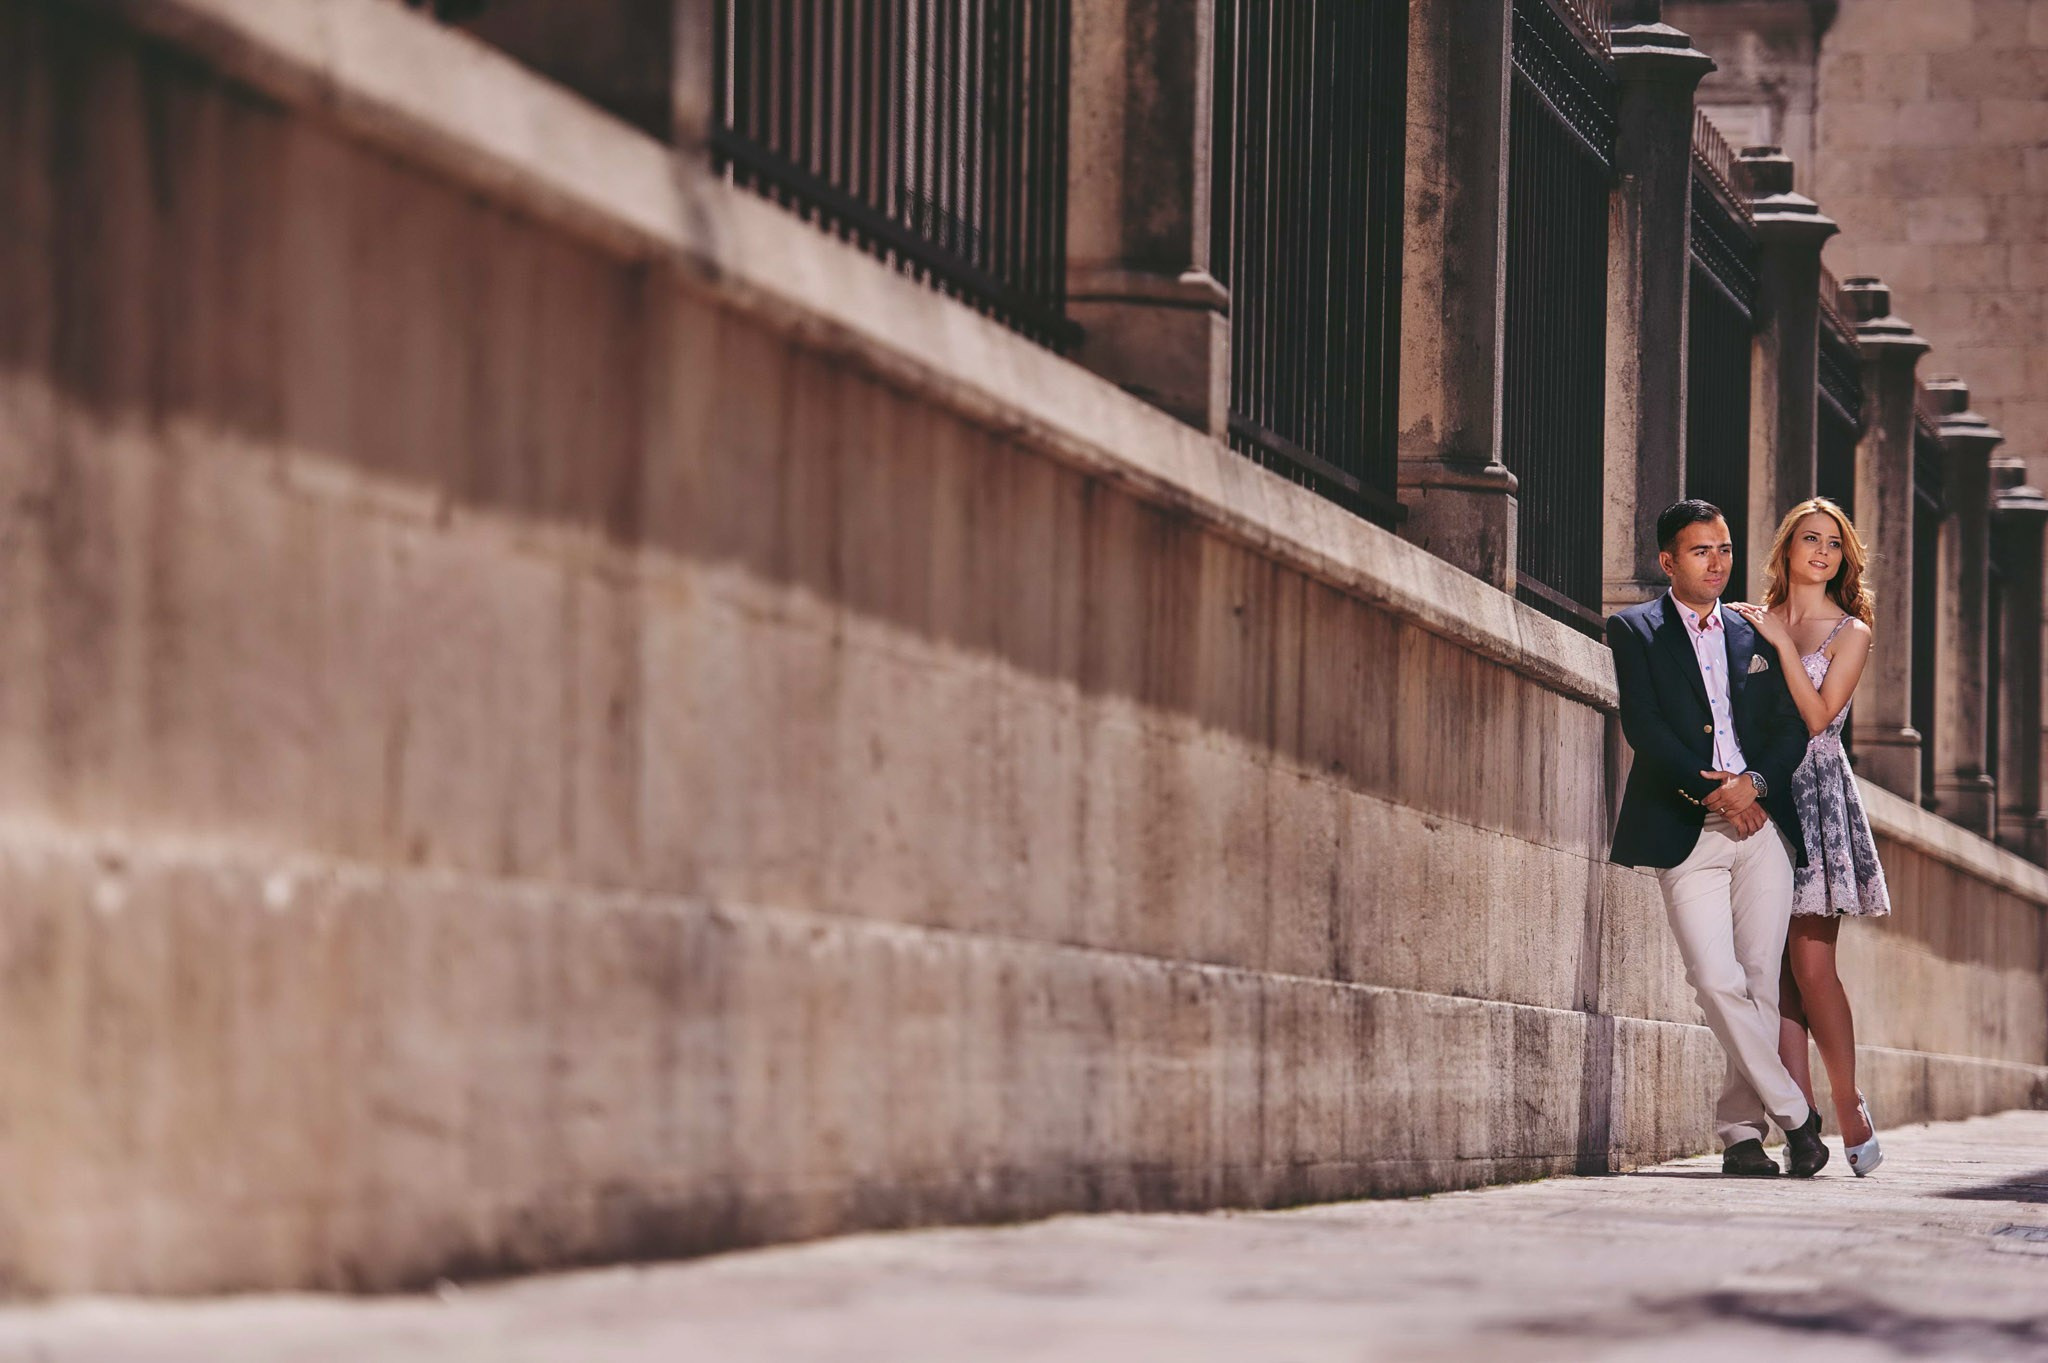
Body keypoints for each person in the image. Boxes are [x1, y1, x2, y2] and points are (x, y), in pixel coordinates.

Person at [1607, 499, 1828, 1178]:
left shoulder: (1754, 632)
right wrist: (1713, 789)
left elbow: (1793, 727)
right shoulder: (1635, 630)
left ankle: (1741, 1134)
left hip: (1761, 825)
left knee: (1761, 982)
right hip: (1686, 826)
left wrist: (1753, 784)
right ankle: (1797, 1116)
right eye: (1701, 550)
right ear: (1668, 560)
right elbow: (1645, 729)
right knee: (1713, 976)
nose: (1717, 562)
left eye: (1725, 548)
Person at [1729, 498, 1890, 1177]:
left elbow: (1821, 717)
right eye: (1808, 539)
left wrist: (1780, 645)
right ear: (1787, 550)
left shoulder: (1850, 630)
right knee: (1777, 975)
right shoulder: (1754, 621)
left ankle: (1849, 1102)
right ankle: (1803, 1123)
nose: (1821, 551)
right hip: (1767, 792)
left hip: (1818, 795)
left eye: (1833, 543)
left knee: (1814, 965)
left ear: (1843, 558)